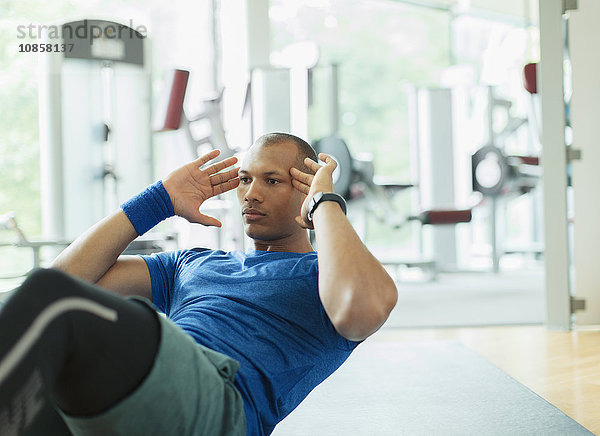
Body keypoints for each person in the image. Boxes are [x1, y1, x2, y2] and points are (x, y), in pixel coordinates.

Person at [0, 132, 398, 435]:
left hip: (219, 403)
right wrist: (158, 201)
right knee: (40, 377)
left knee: (56, 306)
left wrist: (326, 203)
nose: (251, 194)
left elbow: (361, 312)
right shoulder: (194, 262)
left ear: (305, 188)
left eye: (272, 181)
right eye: (244, 179)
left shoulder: (327, 276)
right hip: (141, 394)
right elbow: (66, 280)